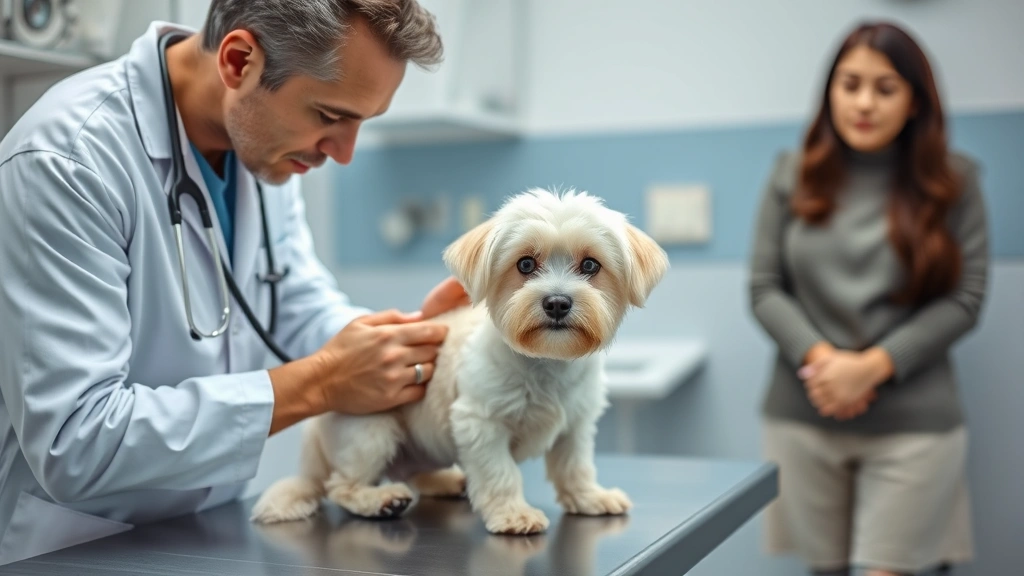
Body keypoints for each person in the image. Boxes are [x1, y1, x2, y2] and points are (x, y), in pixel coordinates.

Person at [0, 0, 471, 565]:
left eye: (360, 123)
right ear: (239, 60)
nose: (343, 154)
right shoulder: (67, 160)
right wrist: (321, 383)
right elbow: (76, 442)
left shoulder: (263, 148)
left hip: (205, 531)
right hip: (77, 545)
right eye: (329, 115)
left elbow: (292, 302)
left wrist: (410, 345)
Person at [748, 21, 989, 576]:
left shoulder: (956, 182)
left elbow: (966, 298)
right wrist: (825, 363)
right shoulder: (792, 175)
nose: (863, 102)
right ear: (829, 90)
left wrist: (873, 369)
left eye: (885, 89)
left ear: (914, 103)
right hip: (804, 416)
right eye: (849, 83)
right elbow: (764, 288)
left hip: (915, 427)